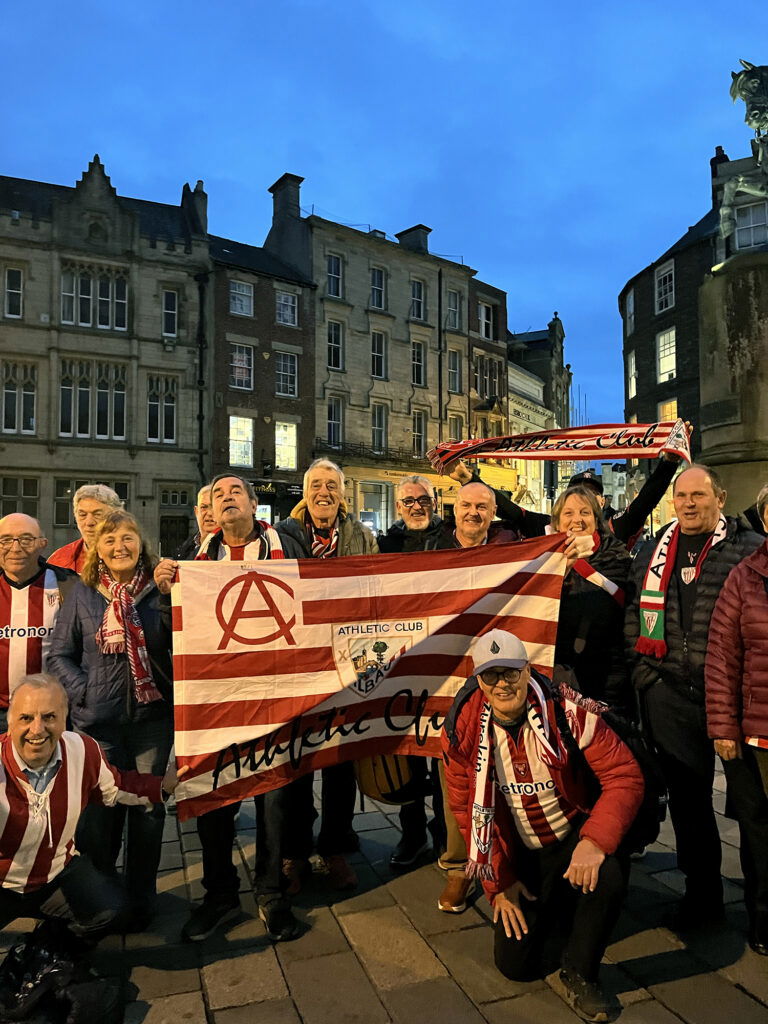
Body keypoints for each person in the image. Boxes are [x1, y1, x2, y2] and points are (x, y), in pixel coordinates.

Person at [442, 629, 643, 1023]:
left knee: (609, 873)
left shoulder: (566, 710)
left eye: (511, 673)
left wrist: (596, 841)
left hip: (569, 834)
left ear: (528, 670)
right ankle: (563, 910)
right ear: (478, 680)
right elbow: (466, 812)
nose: (502, 685)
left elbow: (625, 776)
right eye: (491, 675)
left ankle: (582, 971)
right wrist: (498, 883)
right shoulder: (462, 730)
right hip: (521, 849)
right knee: (516, 967)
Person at [155, 473, 305, 943]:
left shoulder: (288, 545)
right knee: (212, 796)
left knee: (275, 799)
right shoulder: (191, 560)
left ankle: (272, 894)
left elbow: (317, 603)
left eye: (234, 491)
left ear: (254, 503)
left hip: (275, 697)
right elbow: (171, 629)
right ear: (210, 511)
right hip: (214, 701)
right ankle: (219, 893)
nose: (226, 500)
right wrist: (163, 595)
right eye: (217, 495)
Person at [625, 464, 763, 930]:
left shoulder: (748, 549)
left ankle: (758, 905)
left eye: (698, 495)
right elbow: (632, 615)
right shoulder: (652, 550)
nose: (688, 504)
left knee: (748, 807)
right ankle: (701, 894)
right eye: (681, 496)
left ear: (719, 498)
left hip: (734, 698)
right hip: (670, 693)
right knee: (689, 802)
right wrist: (646, 675)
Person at [48, 510, 173, 931]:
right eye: (109, 539)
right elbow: (59, 655)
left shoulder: (159, 591)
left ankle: (141, 899)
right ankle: (101, 899)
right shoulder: (81, 594)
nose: (119, 546)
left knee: (148, 813)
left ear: (141, 542)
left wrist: (172, 600)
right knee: (100, 815)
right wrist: (85, 693)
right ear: (96, 548)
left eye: (127, 537)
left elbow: (181, 645)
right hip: (96, 727)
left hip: (151, 723)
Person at [0, 673, 184, 934]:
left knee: (111, 911)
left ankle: (49, 954)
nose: (37, 729)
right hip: (2, 885)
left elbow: (116, 787)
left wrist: (162, 786)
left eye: (49, 717)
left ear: (65, 721)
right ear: (9, 724)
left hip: (55, 877)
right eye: (26, 718)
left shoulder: (82, 750)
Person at [277, 459, 378, 893]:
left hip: (345, 662)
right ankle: (295, 852)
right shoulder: (281, 537)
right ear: (305, 491)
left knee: (341, 761)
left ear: (343, 492)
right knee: (296, 761)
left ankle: (335, 847)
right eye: (316, 485)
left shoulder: (362, 537)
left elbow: (376, 592)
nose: (324, 492)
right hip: (297, 663)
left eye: (331, 485)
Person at [705, 480, 768, 956]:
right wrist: (724, 728)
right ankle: (763, 917)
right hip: (757, 736)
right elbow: (723, 656)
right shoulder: (746, 577)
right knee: (758, 830)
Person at [378, 476, 447, 871]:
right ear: (398, 505)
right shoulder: (385, 545)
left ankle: (443, 832)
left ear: (434, 502)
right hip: (401, 665)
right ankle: (412, 832)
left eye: (424, 499)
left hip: (442, 662)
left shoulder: (452, 543)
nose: (417, 506)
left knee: (440, 754)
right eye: (409, 500)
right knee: (405, 754)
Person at [450, 446, 683, 548]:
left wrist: (669, 464)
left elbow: (644, 503)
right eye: (574, 496)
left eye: (591, 496)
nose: (578, 515)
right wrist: (467, 478)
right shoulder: (547, 528)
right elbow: (510, 510)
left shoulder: (614, 530)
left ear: (602, 502)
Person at [550, 487, 633, 713]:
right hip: (559, 673)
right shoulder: (544, 562)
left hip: (609, 675)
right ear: (557, 522)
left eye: (584, 512)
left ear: (596, 520)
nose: (577, 519)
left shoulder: (617, 557)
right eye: (568, 514)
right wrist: (559, 571)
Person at [0, 514, 77, 733]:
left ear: (42, 544)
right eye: (5, 540)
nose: (15, 548)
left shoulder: (69, 587)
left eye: (26, 539)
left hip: (49, 714)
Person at [48, 484, 123, 575]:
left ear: (116, 516)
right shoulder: (59, 560)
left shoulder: (133, 556)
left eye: (97, 514)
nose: (89, 522)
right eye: (82, 515)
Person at [175, 484, 216, 559]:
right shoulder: (185, 549)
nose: (209, 513)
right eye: (204, 507)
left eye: (214, 507)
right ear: (196, 511)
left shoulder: (231, 549)